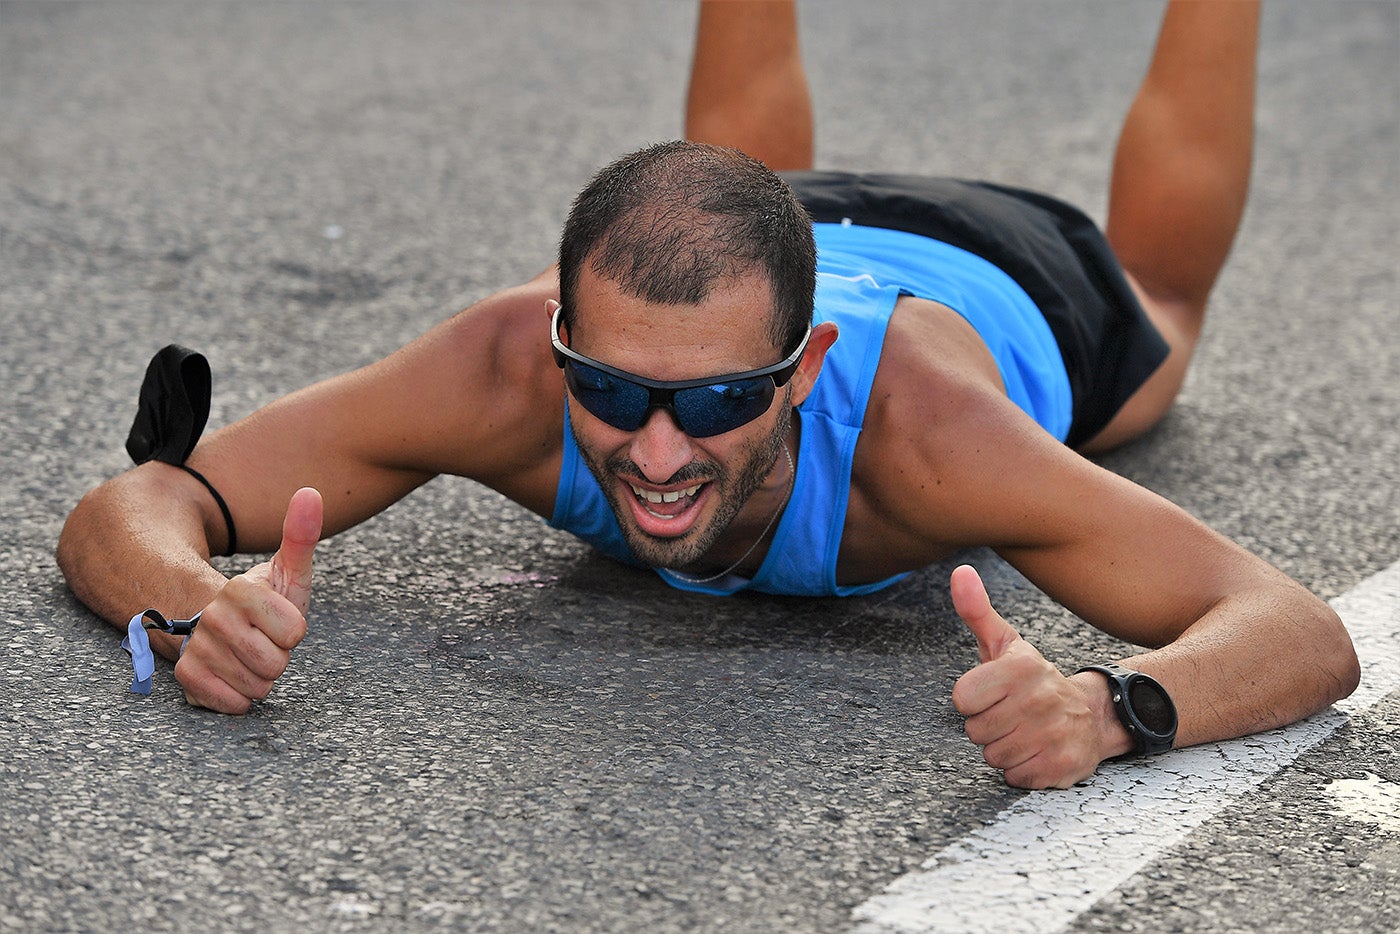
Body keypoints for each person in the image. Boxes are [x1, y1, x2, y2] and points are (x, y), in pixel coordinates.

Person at [57, 0, 1358, 789]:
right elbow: (142, 500)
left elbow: (1292, 626)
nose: (661, 448)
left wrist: (1112, 707)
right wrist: (188, 609)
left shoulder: (933, 438)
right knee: (738, 180)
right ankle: (756, 227)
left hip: (1004, 267)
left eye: (723, 399)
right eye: (614, 390)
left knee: (1167, 307)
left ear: (804, 374)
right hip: (775, 225)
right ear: (561, 341)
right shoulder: (510, 365)